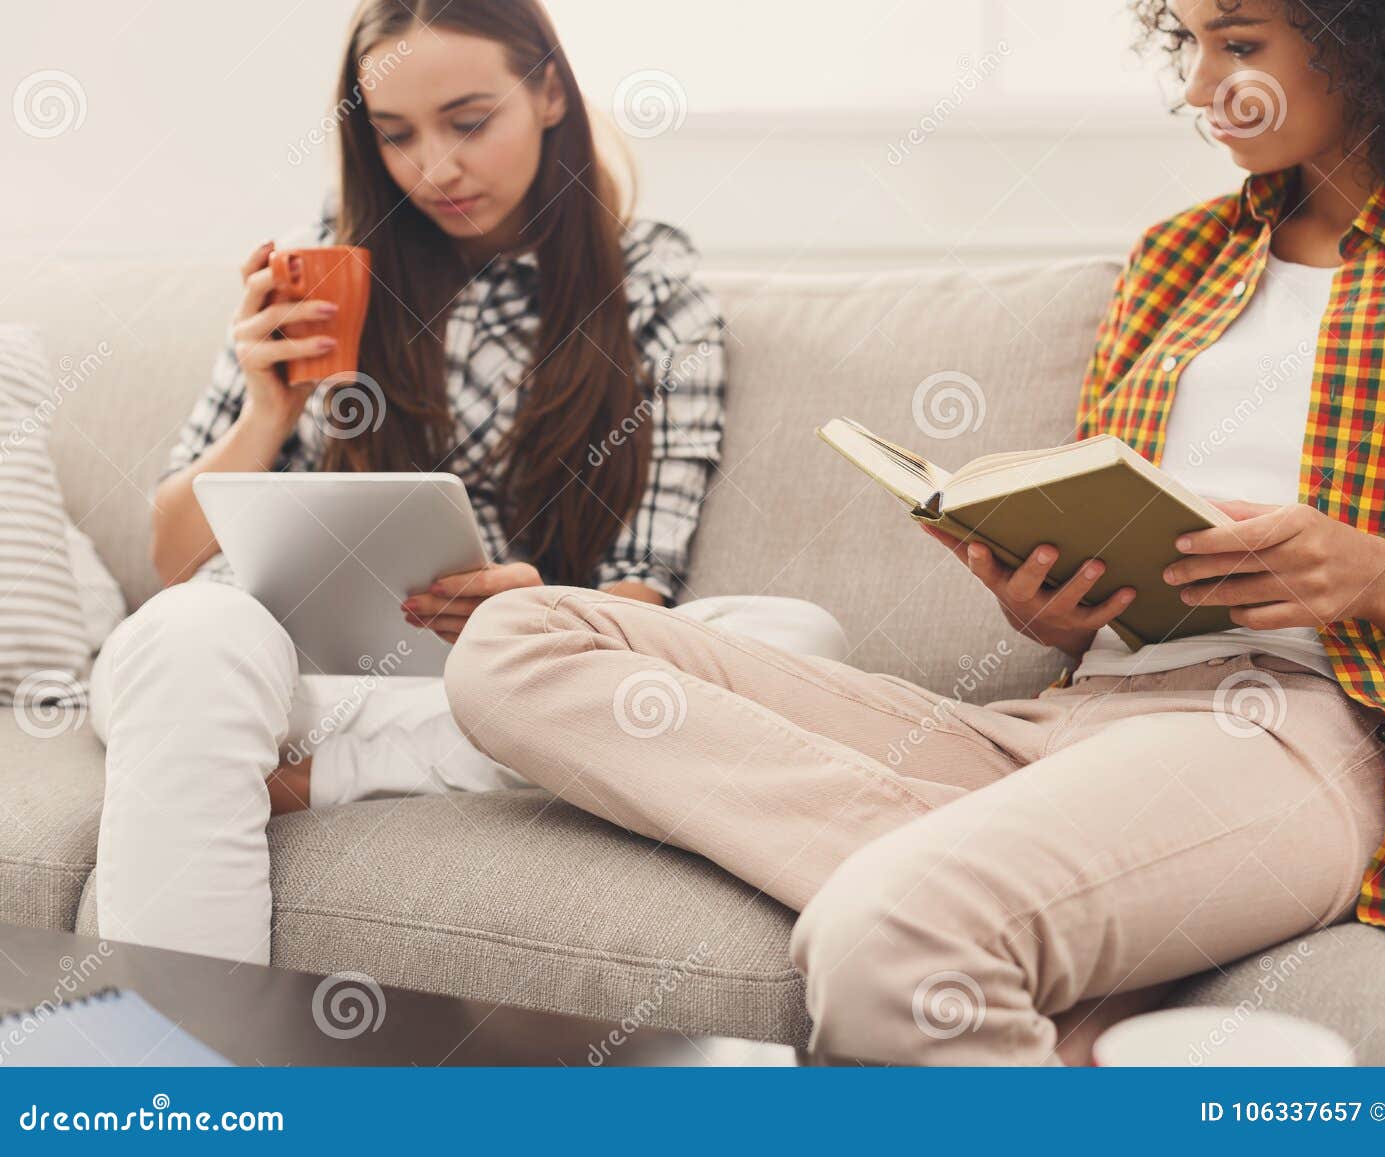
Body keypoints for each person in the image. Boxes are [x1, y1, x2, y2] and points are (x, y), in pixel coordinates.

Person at [443, 0, 1385, 1064]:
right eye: (1189, 43)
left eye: (1238, 44)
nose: (1201, 87)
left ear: (1371, 38)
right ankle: (1033, 893)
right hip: (1070, 719)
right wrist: (1043, 600)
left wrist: (1380, 581)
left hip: (1307, 729)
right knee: (516, 641)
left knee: (889, 941)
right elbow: (1105, 515)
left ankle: (964, 893)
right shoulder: (1176, 261)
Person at [89, 0, 844, 968]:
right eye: (395, 136)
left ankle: (331, 777)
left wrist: (540, 612)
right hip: (260, 684)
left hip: (501, 688)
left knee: (795, 642)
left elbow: (644, 584)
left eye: (468, 121)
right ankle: (187, 1094)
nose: (433, 169)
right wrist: (265, 409)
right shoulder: (323, 258)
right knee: (187, 630)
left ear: (548, 93)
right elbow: (170, 555)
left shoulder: (654, 285)